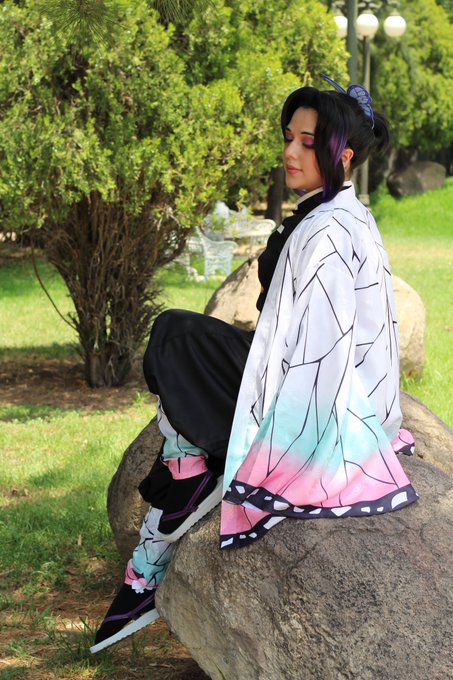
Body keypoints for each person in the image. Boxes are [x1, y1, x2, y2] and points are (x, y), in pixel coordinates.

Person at [90, 75, 417, 654]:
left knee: (175, 334)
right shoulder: (331, 212)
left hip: (312, 392)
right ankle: (178, 496)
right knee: (187, 340)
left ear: (342, 156)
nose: (290, 151)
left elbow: (322, 351)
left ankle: (178, 500)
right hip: (296, 367)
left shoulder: (331, 230)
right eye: (289, 137)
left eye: (307, 142)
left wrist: (271, 427)